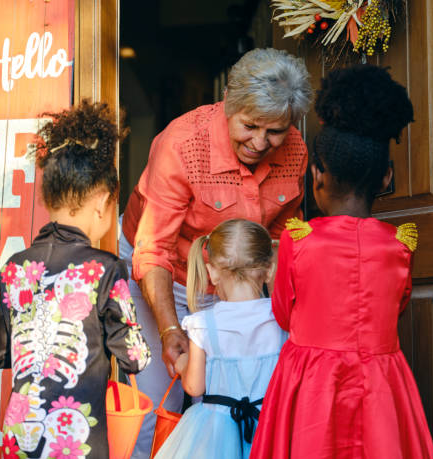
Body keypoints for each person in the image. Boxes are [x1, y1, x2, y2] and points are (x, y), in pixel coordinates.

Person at [119, 47, 312, 457]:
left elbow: (279, 240)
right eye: (250, 126)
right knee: (160, 402)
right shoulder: (180, 144)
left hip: (236, 281)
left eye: (275, 131)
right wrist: (172, 331)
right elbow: (152, 249)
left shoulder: (294, 150)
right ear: (229, 101)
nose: (261, 142)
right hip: (161, 272)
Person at [250, 65, 433, 458]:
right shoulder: (400, 246)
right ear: (386, 179)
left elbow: (284, 314)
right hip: (381, 384)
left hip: (311, 386)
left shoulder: (297, 241)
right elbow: (397, 306)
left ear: (317, 174)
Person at [0, 101, 151, 459]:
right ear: (103, 202)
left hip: (19, 436)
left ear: (48, 197)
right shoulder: (106, 269)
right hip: (77, 440)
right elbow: (135, 358)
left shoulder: (14, 267)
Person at [154, 219, 286, 458]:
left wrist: (183, 364)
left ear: (212, 272)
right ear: (269, 270)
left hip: (215, 434)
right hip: (270, 427)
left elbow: (195, 386)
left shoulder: (204, 325)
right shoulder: (280, 319)